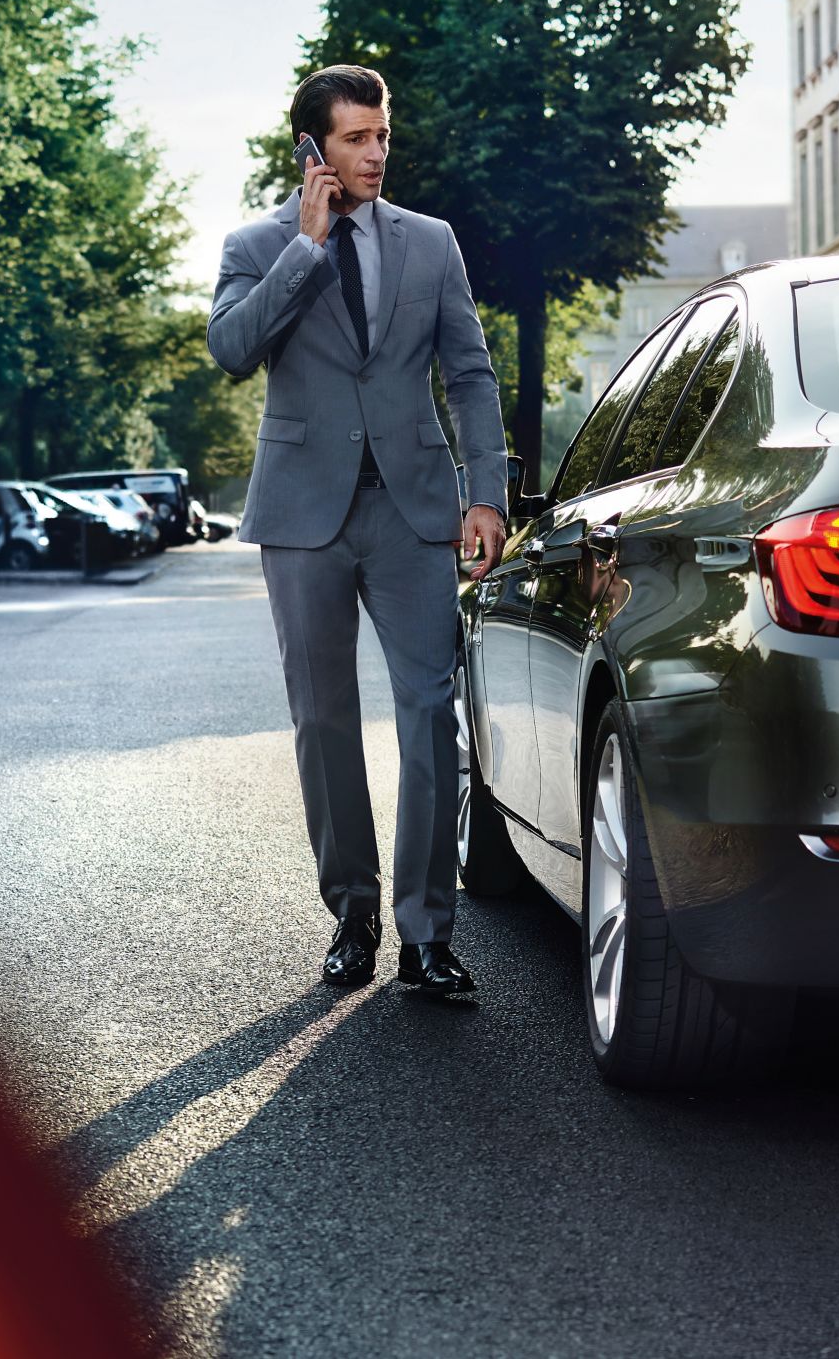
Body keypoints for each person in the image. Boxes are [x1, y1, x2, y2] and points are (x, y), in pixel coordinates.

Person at [207, 64, 508, 997]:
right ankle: (354, 910)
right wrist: (303, 249)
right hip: (303, 514)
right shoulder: (257, 243)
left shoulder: (431, 243)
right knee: (324, 717)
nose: (376, 153)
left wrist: (486, 493)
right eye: (355, 139)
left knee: (430, 712)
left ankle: (427, 932)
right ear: (312, 150)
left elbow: (470, 373)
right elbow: (229, 350)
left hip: (414, 506)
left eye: (382, 135)